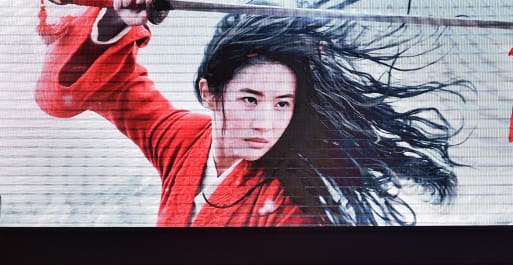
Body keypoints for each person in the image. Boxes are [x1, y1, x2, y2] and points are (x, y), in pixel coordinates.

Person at [35, 0, 465, 226]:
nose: (265, 123)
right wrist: (115, 18)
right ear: (209, 93)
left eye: (283, 104)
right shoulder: (183, 138)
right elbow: (88, 91)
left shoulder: (294, 206)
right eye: (249, 98)